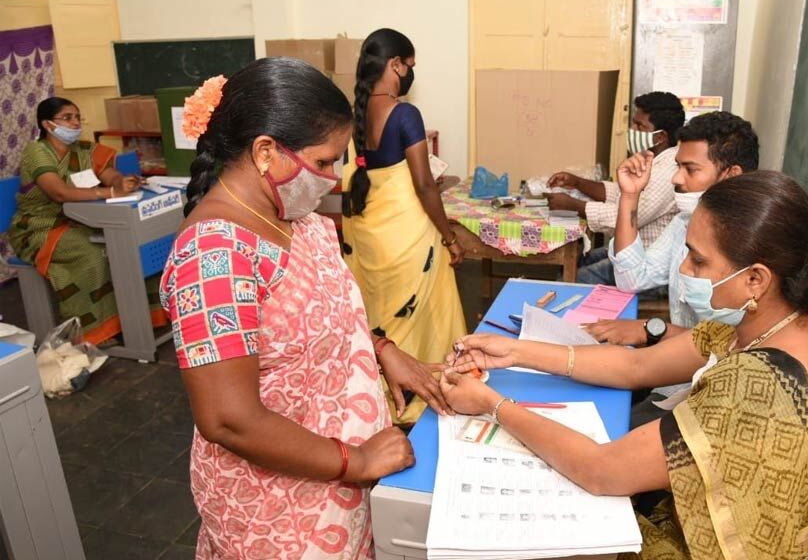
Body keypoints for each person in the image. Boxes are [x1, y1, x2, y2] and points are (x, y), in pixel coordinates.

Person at [441, 171, 808, 559]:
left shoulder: (759, 388)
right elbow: (638, 369)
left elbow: (601, 470)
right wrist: (517, 351)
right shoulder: (769, 323)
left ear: (755, 279)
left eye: (699, 260)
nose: (684, 269)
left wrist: (492, 404)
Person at [160, 58, 451, 559]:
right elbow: (229, 419)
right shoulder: (213, 257)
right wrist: (354, 460)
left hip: (340, 479)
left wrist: (381, 349)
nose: (335, 180)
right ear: (266, 152)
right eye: (322, 163)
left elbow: (320, 314)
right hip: (280, 507)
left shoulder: (302, 220)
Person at [341, 28, 467, 424]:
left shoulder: (354, 115)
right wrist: (450, 237)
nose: (410, 73)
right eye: (409, 65)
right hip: (409, 240)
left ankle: (380, 395)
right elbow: (425, 184)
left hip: (368, 237)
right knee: (421, 317)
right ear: (395, 64)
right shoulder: (405, 114)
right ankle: (423, 391)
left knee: (380, 315)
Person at [584, 111, 759, 347]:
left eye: (691, 169)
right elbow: (632, 278)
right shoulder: (684, 222)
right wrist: (630, 195)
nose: (676, 178)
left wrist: (654, 330)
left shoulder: (756, 239)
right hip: (677, 368)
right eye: (678, 167)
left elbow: (735, 344)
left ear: (731, 175)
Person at [7, 97, 164, 344]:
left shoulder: (83, 149)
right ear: (48, 125)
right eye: (67, 118)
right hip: (41, 227)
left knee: (125, 245)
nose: (75, 123)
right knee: (93, 254)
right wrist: (109, 193)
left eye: (77, 117)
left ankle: (134, 319)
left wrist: (118, 182)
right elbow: (58, 192)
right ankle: (95, 332)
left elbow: (107, 172)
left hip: (82, 220)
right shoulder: (37, 153)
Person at [545, 92, 686, 287]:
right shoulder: (650, 159)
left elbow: (627, 217)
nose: (632, 130)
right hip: (631, 250)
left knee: (569, 279)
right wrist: (577, 182)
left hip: (646, 265)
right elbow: (620, 194)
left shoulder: (667, 170)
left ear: (660, 136)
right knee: (575, 260)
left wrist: (574, 205)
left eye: (640, 126)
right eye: (633, 123)